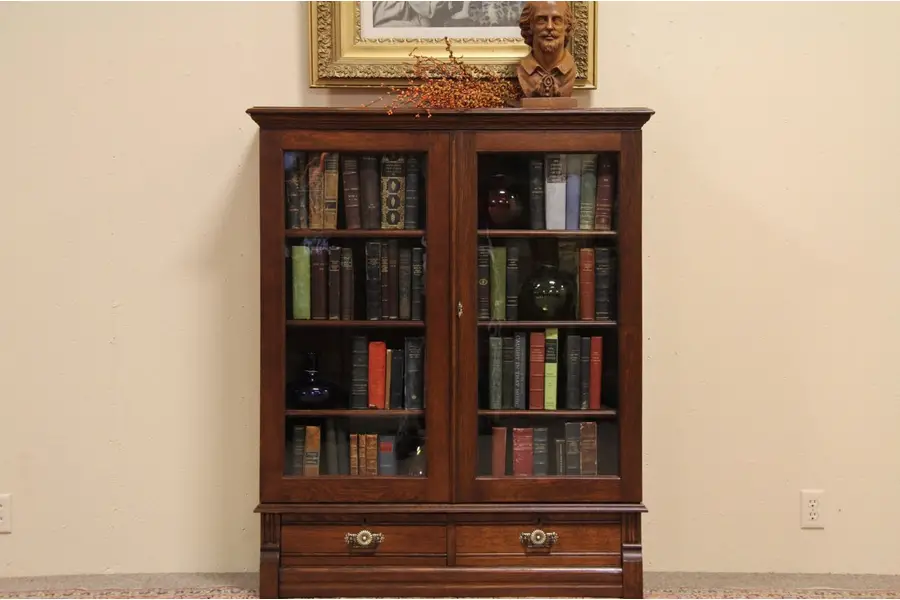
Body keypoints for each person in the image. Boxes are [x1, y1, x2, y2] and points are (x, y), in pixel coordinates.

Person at [516, 1, 576, 98]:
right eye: (541, 20)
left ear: (566, 26)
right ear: (530, 25)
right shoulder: (523, 70)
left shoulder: (571, 70)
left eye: (556, 20)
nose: (549, 27)